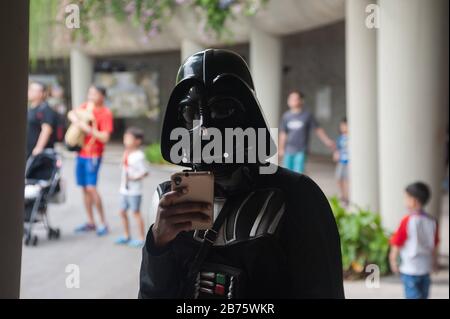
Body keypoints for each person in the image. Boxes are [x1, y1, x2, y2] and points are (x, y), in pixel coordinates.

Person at [139, 49, 344, 299]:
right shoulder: (168, 200)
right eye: (191, 112)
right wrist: (158, 245)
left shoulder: (297, 196)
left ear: (249, 115)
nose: (205, 129)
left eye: (223, 110)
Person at [68, 85, 114, 236]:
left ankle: (103, 223)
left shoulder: (105, 113)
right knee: (84, 189)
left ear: (102, 96)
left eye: (94, 93)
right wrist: (77, 121)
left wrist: (87, 129)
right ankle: (90, 222)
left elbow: (105, 137)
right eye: (90, 93)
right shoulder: (86, 107)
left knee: (91, 188)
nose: (91, 96)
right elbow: (71, 113)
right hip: (81, 153)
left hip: (94, 155)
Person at [389, 182, 440, 299]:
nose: (404, 201)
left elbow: (397, 242)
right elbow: (435, 245)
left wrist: (393, 260)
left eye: (406, 198)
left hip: (410, 269)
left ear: (414, 200)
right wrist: (435, 263)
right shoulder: (432, 221)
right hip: (425, 267)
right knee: (423, 295)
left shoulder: (407, 220)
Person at [278, 91, 335, 174]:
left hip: (301, 150)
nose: (292, 100)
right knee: (287, 173)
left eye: (295, 98)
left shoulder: (307, 115)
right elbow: (283, 133)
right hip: (288, 150)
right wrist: (281, 149)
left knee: (298, 174)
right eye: (290, 98)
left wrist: (327, 141)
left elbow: (318, 129)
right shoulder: (286, 116)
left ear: (301, 101)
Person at [115, 127, 148, 248]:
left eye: (128, 138)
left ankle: (141, 238)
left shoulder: (139, 156)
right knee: (122, 211)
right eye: (125, 138)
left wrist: (134, 177)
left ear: (137, 141)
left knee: (136, 213)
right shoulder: (126, 153)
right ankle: (126, 235)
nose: (125, 141)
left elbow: (145, 172)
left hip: (134, 191)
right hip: (124, 189)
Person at [26, 81, 57, 158]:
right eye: (30, 89)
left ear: (41, 93)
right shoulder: (30, 109)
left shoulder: (46, 109)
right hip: (28, 152)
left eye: (33, 90)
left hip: (39, 155)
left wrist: (38, 148)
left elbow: (46, 130)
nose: (30, 92)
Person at [333, 118, 349, 205]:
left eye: (345, 126)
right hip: (341, 161)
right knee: (339, 178)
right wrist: (336, 154)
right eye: (342, 126)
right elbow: (337, 148)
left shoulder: (351, 137)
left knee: (347, 180)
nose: (343, 128)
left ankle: (347, 197)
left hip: (348, 162)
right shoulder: (340, 138)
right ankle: (342, 196)